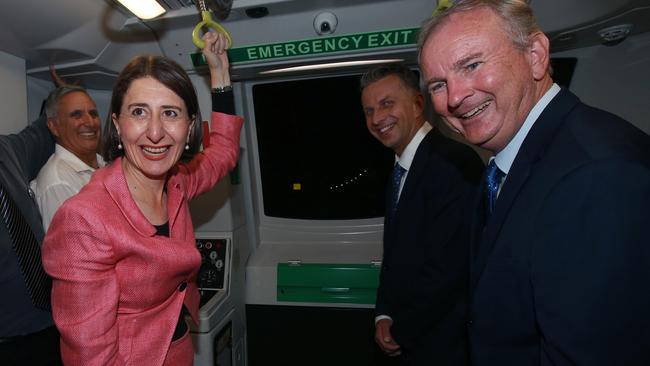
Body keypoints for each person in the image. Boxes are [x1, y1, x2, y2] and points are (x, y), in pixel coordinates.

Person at [418, 0, 650, 365]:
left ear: (536, 55)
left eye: (472, 65)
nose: (455, 97)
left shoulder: (595, 174)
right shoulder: (512, 165)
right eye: (438, 84)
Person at [42, 31, 243, 366]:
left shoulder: (176, 182)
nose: (154, 132)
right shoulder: (83, 220)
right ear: (117, 125)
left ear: (190, 125)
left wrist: (220, 74)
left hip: (181, 347)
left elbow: (223, 152)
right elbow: (92, 359)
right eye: (139, 112)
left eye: (170, 113)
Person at [361, 64, 483, 366]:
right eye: (368, 111)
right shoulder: (399, 170)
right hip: (407, 335)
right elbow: (394, 257)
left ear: (418, 104)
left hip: (443, 343)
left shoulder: (454, 164)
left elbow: (449, 272)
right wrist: (384, 313)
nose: (376, 119)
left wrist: (400, 329)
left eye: (387, 104)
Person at [0, 117, 60, 364]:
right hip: (8, 341)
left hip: (49, 324)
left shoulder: (7, 150)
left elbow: (39, 134)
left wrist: (59, 95)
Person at [31, 85, 104, 231]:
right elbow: (71, 249)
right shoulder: (58, 183)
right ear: (54, 127)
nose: (90, 122)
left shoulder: (103, 163)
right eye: (76, 115)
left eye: (93, 113)